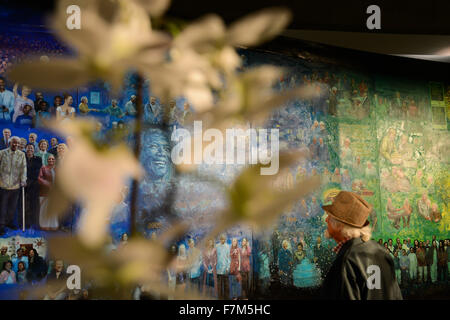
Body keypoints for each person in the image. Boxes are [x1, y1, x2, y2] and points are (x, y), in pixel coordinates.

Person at [321, 191, 402, 299]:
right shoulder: (381, 251)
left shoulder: (347, 260)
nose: (326, 220)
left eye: (329, 217)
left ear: (339, 225)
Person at [0, 136, 27, 233]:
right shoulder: (2, 153)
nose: (15, 144)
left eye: (17, 143)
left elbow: (23, 168)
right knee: (2, 207)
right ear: (10, 143)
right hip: (3, 185)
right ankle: (1, 225)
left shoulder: (21, 155)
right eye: (13, 143)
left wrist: (23, 180)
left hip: (16, 185)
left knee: (12, 206)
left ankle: (9, 222)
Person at [21, 144, 41, 229]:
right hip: (23, 184)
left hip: (34, 184)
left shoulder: (38, 159)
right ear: (26, 149)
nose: (30, 149)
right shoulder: (22, 158)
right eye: (28, 148)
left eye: (31, 148)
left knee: (34, 203)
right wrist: (23, 180)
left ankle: (35, 222)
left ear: (34, 150)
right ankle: (27, 222)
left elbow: (37, 171)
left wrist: (28, 180)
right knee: (25, 204)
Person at [38, 154, 58, 230]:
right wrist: (48, 184)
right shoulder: (43, 168)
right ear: (47, 160)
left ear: (55, 160)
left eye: (52, 159)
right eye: (49, 159)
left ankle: (53, 225)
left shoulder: (57, 169)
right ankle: (44, 225)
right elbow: (39, 178)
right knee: (44, 209)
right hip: (44, 192)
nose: (51, 160)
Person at [216, 234, 230, 300]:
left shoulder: (227, 246)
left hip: (225, 269)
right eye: (221, 239)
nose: (223, 240)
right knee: (219, 286)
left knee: (226, 286)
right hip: (218, 269)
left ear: (225, 239)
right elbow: (215, 257)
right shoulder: (217, 246)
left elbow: (229, 258)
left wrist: (227, 267)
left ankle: (226, 298)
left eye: (224, 239)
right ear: (220, 239)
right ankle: (220, 298)